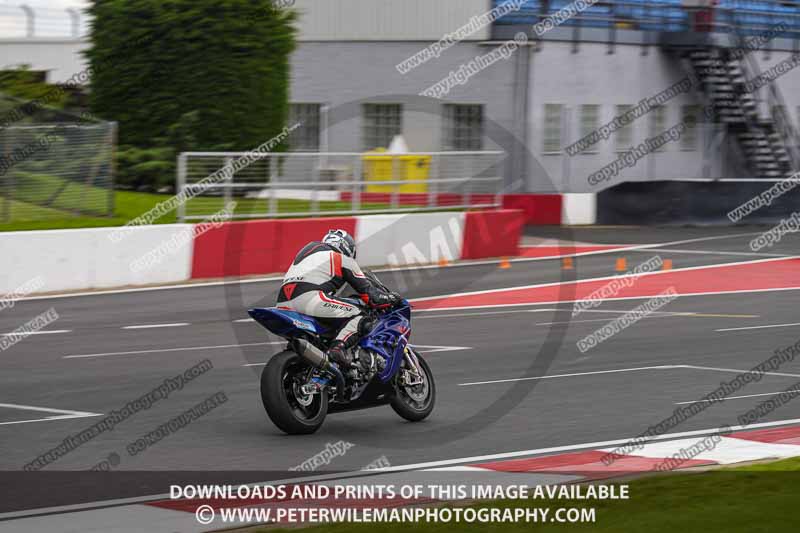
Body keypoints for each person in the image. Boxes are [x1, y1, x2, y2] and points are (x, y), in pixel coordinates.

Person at [277, 229, 398, 368]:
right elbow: (372, 297)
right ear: (347, 248)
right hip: (309, 300)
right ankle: (338, 348)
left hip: (282, 303)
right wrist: (392, 297)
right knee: (361, 314)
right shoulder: (342, 258)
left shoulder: (306, 255)